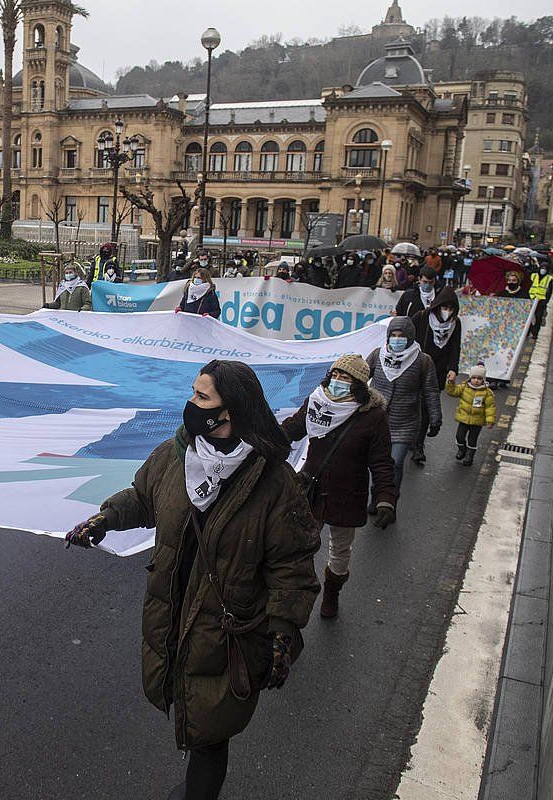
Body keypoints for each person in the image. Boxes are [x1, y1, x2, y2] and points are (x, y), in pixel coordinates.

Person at [64, 360, 320, 800]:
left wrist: (282, 633)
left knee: (209, 733)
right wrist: (105, 519)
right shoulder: (175, 453)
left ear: (231, 411)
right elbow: (144, 498)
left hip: (225, 632)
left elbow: (292, 568)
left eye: (202, 397)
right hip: (171, 614)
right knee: (188, 707)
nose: (191, 405)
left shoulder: (275, 482)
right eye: (193, 393)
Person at [280, 354, 396, 619]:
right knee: (300, 547)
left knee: (340, 552)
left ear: (358, 384)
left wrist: (385, 498)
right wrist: (266, 441)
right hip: (312, 490)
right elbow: (293, 428)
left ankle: (332, 592)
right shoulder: (316, 402)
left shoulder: (373, 416)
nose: (337, 380)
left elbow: (381, 462)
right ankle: (295, 598)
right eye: (335, 374)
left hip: (347, 495)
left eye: (345, 377)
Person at [366, 316, 441, 501]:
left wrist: (435, 418)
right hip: (377, 422)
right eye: (393, 335)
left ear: (410, 337)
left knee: (394, 463)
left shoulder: (423, 360)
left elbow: (431, 390)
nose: (397, 339)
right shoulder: (377, 355)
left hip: (405, 423)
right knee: (377, 464)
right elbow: (361, 376)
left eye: (401, 336)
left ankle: (389, 501)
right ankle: (378, 495)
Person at [410, 287, 461, 465]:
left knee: (426, 407)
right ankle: (409, 435)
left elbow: (455, 346)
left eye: (451, 308)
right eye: (444, 307)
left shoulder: (456, 323)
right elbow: (408, 334)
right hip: (417, 368)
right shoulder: (422, 317)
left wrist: (453, 368)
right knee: (411, 405)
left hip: (437, 373)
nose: (447, 312)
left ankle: (419, 444)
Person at [445, 365, 496, 467]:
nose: (476, 381)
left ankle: (469, 456)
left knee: (472, 440)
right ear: (470, 378)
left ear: (483, 380)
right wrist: (450, 383)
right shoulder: (464, 387)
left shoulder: (487, 393)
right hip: (463, 419)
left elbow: (490, 407)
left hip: (477, 421)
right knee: (459, 437)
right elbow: (452, 391)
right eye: (474, 378)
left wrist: (490, 420)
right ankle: (462, 450)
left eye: (479, 378)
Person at [527, 262, 553, 340]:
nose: (543, 270)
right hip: (531, 298)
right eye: (542, 268)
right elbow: (528, 285)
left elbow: (549, 292)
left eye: (545, 269)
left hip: (541, 300)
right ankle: (527, 331)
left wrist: (545, 302)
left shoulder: (549, 278)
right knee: (529, 317)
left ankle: (535, 333)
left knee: (538, 317)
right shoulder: (533, 276)